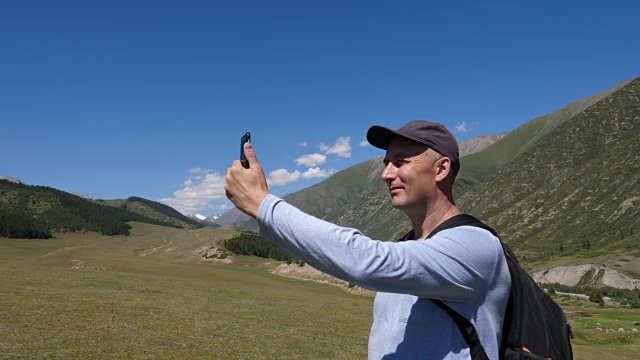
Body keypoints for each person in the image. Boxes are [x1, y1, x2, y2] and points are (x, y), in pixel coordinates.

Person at [225, 120, 511, 359]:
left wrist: (263, 205)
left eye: (401, 162)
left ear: (441, 169)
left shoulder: (475, 246)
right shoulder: (410, 244)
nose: (386, 174)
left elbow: (367, 261)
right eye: (387, 163)